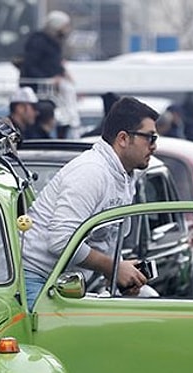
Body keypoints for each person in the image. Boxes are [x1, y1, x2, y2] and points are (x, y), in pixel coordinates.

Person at [22, 97, 159, 309]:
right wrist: (113, 268)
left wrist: (120, 272)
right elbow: (60, 240)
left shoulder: (123, 175)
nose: (154, 146)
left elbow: (107, 238)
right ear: (123, 138)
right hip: (35, 280)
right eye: (150, 138)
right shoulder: (92, 171)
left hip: (62, 283)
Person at [19, 10, 80, 138]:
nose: (66, 30)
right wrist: (49, 79)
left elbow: (54, 62)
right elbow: (30, 66)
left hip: (53, 85)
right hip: (41, 86)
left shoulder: (54, 42)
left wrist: (63, 72)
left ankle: (73, 124)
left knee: (68, 92)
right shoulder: (38, 41)